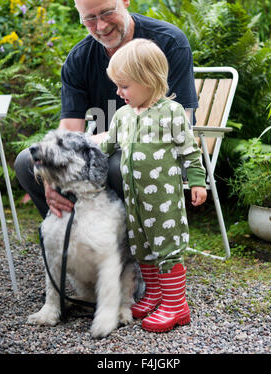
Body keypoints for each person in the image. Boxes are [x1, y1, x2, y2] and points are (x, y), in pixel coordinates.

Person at [14, 0, 198, 220]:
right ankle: (75, 241)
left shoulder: (168, 43)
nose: (101, 26)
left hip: (155, 151)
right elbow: (69, 128)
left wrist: (94, 141)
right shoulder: (79, 60)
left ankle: (132, 249)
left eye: (107, 12)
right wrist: (49, 170)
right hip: (101, 149)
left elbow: (179, 121)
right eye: (89, 19)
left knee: (118, 166)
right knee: (28, 162)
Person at [99, 38, 207, 333]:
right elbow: (107, 146)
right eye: (117, 86)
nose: (118, 92)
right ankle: (155, 295)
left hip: (164, 200)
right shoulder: (122, 115)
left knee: (166, 246)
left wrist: (197, 181)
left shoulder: (170, 112)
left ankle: (177, 305)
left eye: (124, 86)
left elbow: (189, 150)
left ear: (148, 80)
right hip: (135, 201)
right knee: (143, 246)